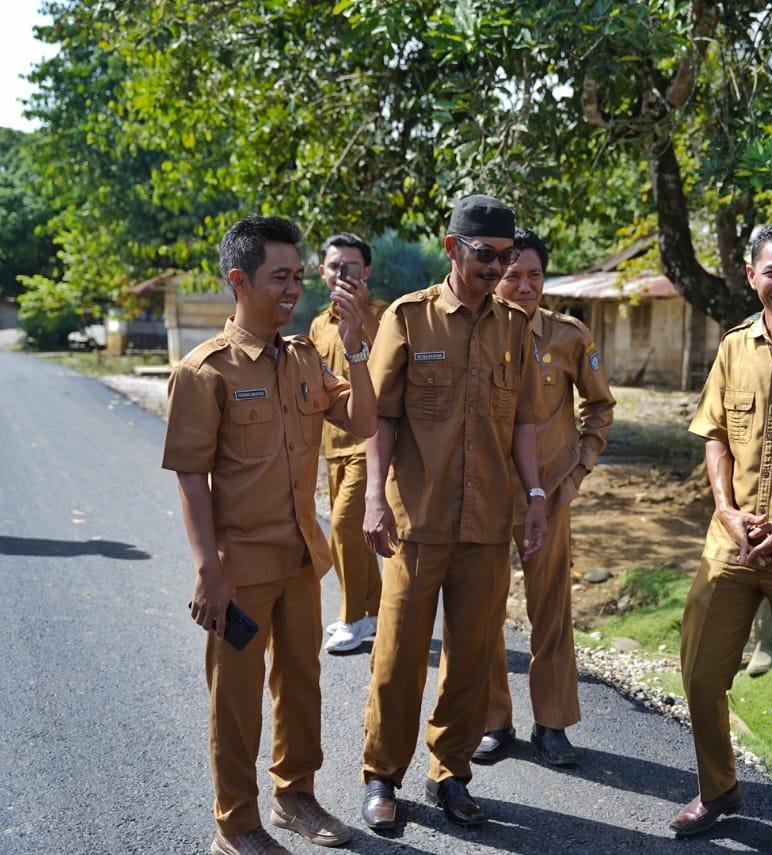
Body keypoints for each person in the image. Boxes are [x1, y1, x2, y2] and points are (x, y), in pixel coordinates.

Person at [163, 216, 376, 855]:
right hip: (238, 569)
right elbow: (191, 478)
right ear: (239, 279)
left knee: (302, 683)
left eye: (297, 276)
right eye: (279, 277)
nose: (294, 289)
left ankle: (295, 796)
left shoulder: (304, 357)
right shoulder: (205, 372)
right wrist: (208, 570)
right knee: (236, 699)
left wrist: (359, 343)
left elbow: (363, 419)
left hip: (300, 559)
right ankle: (236, 824)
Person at [358, 195, 549, 830]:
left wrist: (535, 497)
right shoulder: (409, 318)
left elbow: (522, 420)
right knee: (398, 657)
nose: (498, 268)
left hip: (489, 524)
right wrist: (371, 497)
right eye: (485, 256)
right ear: (451, 248)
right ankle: (383, 776)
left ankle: (452, 773)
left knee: (471, 659)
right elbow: (380, 416)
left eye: (507, 257)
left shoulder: (516, 327)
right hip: (418, 521)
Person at [670, 220, 772, 855]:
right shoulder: (734, 345)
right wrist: (725, 506)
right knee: (701, 673)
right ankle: (719, 789)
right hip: (731, 540)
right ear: (752, 276)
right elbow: (713, 431)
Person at [474, 228, 615, 766]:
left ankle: (552, 725)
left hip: (549, 495)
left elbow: (599, 407)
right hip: (485, 496)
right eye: (513, 275)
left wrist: (578, 470)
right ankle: (494, 722)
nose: (524, 285)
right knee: (482, 609)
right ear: (496, 275)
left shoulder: (569, 335)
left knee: (551, 610)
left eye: (534, 274)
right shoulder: (475, 335)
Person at [309, 233, 387, 653]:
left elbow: (393, 359)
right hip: (332, 445)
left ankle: (351, 617)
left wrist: (362, 318)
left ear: (367, 272)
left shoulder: (385, 316)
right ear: (321, 271)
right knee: (352, 533)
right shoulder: (318, 325)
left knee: (340, 526)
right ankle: (374, 611)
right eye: (335, 266)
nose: (342, 273)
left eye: (351, 266)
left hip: (371, 442)